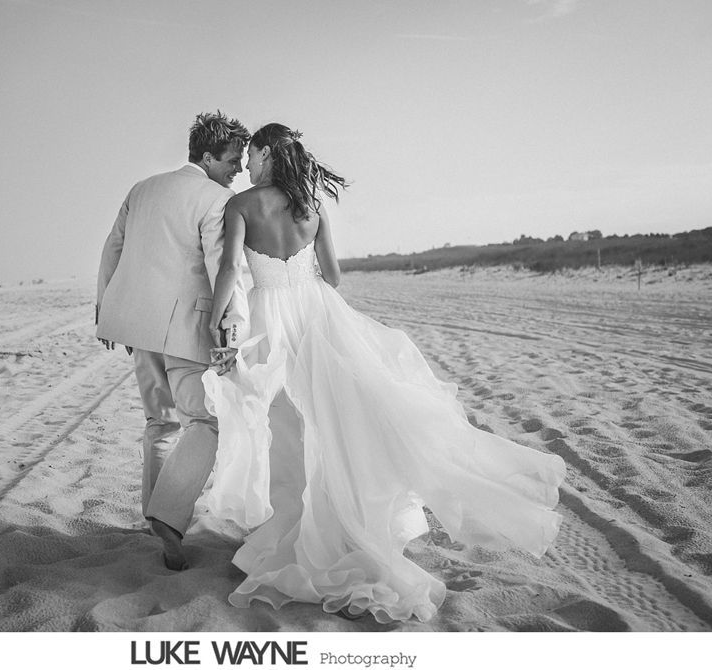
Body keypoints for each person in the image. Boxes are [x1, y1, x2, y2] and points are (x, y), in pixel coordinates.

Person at [201, 123, 566, 622]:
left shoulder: (241, 206)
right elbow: (333, 277)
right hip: (318, 316)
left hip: (271, 321)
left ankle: (295, 530)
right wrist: (299, 268)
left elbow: (227, 271)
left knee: (284, 432)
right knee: (330, 430)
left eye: (252, 155)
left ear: (265, 152)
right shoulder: (313, 207)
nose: (246, 164)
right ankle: (337, 528)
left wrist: (213, 323)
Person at [96, 111, 250, 571]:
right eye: (233, 159)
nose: (238, 169)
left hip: (136, 327)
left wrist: (106, 309)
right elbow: (225, 267)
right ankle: (168, 516)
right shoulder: (217, 198)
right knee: (204, 423)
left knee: (158, 423)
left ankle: (155, 518)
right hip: (187, 328)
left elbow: (112, 248)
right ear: (207, 155)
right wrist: (232, 326)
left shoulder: (142, 188)